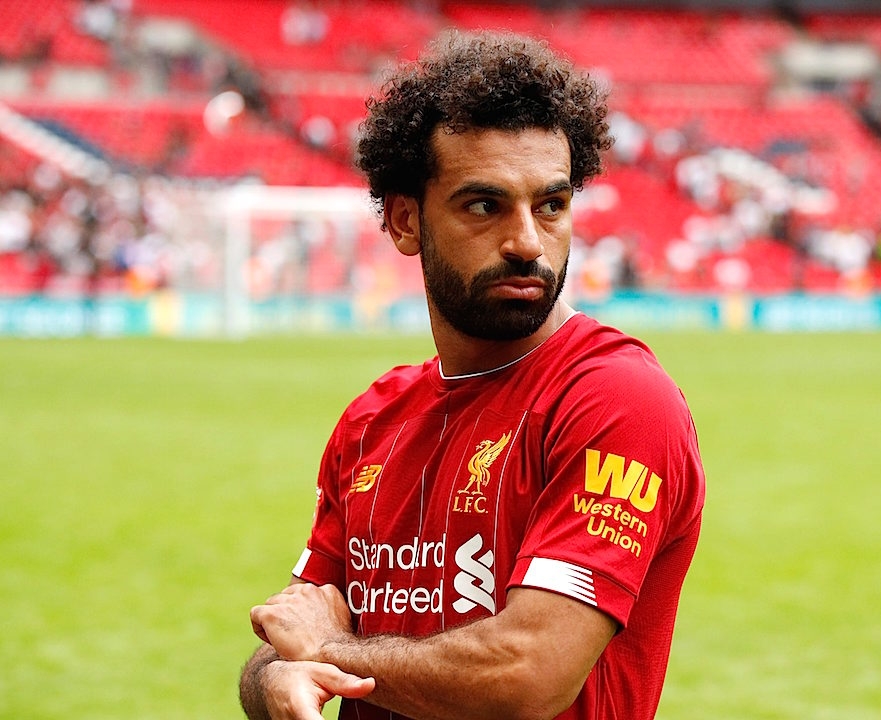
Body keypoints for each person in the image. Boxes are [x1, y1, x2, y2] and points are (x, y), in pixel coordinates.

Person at [238, 31, 706, 720]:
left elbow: (529, 673)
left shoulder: (616, 398)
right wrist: (274, 681)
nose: (526, 242)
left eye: (551, 205)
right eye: (484, 206)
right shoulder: (372, 420)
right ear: (406, 220)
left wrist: (330, 653)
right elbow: (287, 634)